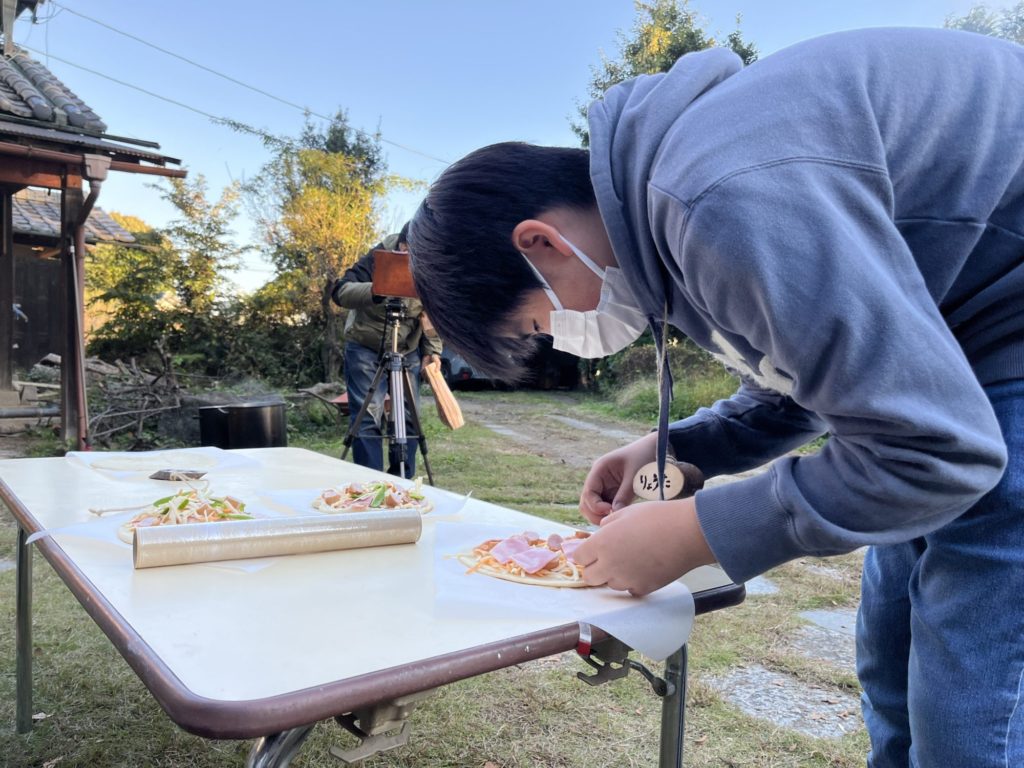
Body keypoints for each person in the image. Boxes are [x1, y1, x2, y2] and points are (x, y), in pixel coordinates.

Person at [406, 27, 1024, 768]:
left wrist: (696, 533)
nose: (562, 338)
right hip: (965, 330)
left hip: (1004, 337)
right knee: (891, 670)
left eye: (540, 323)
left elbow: (935, 454)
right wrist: (686, 448)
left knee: (967, 710)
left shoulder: (718, 196)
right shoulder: (681, 200)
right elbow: (815, 375)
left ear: (540, 243)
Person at [332, 223, 442, 478]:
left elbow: (433, 314)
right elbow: (340, 292)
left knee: (409, 418)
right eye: (409, 251)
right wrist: (378, 289)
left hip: (407, 348)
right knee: (368, 417)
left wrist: (433, 350)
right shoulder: (378, 256)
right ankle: (371, 483)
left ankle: (402, 481)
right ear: (402, 245)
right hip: (365, 346)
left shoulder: (434, 264)